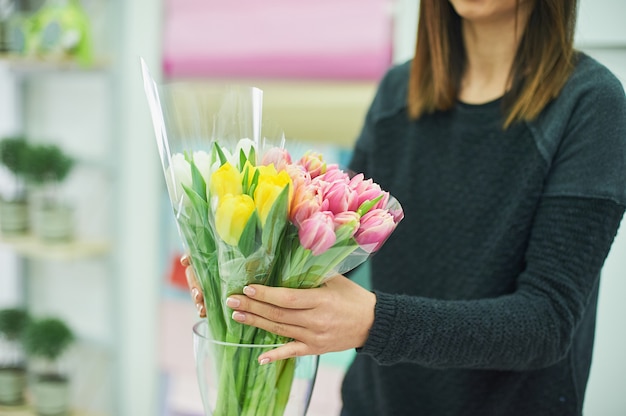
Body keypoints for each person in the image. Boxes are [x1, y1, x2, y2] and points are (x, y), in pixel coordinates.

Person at [183, 0, 626, 414]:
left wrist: (374, 323)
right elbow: (336, 255)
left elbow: (546, 322)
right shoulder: (399, 91)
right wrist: (238, 274)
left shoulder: (592, 105)